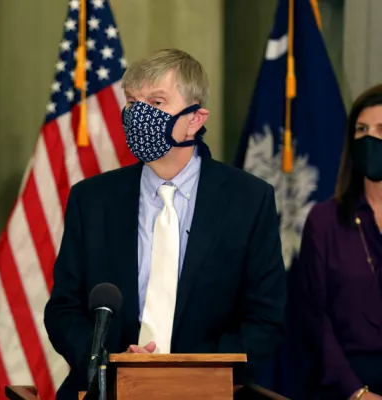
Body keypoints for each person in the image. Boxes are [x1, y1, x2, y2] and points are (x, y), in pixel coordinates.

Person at [44, 48, 286, 399]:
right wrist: (106, 364)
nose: (138, 114)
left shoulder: (249, 201)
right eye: (132, 102)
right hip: (103, 391)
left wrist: (188, 374)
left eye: (156, 102)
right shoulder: (91, 199)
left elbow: (266, 318)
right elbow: (64, 309)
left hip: (206, 393)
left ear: (195, 119)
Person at [296, 84, 382, 400]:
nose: (369, 138)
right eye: (361, 130)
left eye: (380, 129)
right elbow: (313, 317)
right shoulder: (324, 220)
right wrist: (356, 393)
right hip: (342, 386)